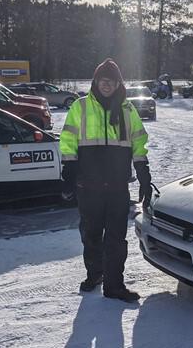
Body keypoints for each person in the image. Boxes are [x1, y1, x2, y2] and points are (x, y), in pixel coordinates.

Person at [60, 59, 152, 303]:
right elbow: (68, 140)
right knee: (90, 234)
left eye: (111, 81)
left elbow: (139, 142)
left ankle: (114, 285)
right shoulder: (80, 107)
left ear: (117, 83)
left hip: (117, 187)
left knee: (115, 238)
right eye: (103, 80)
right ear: (95, 82)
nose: (106, 85)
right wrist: (68, 172)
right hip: (88, 187)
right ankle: (95, 274)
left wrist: (143, 173)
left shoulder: (127, 110)